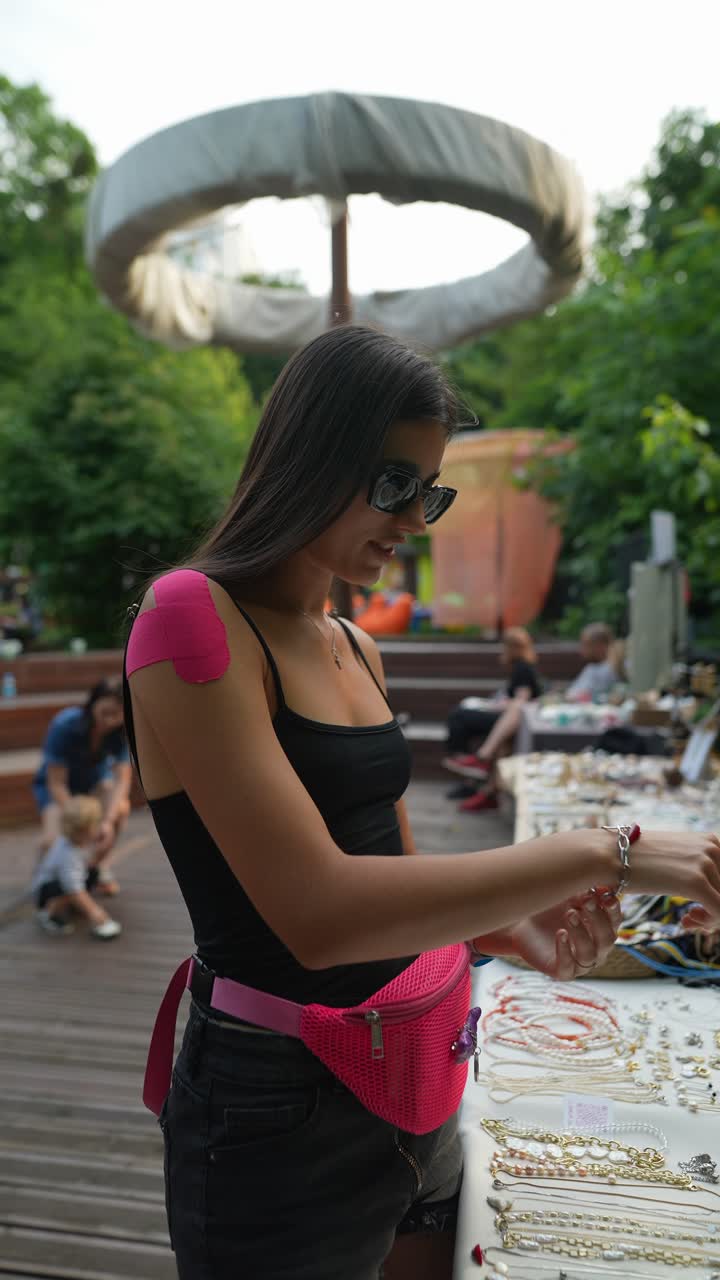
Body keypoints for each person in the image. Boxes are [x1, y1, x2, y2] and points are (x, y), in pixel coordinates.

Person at [124, 325, 720, 1280]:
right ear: (310, 456)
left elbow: (395, 885)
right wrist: (607, 849)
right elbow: (317, 915)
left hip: (419, 1062)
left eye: (429, 494)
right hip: (278, 1108)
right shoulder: (191, 617)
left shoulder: (356, 647)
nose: (413, 520)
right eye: (394, 485)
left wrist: (506, 929)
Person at [32, 677, 132, 893]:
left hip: (93, 785)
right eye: (105, 712)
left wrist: (106, 821)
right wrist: (81, 816)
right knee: (53, 841)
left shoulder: (121, 732)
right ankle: (46, 882)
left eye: (116, 714)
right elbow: (56, 783)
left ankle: (96, 868)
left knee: (120, 808)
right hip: (57, 790)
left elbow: (122, 779)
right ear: (92, 703)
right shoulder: (65, 725)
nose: (109, 720)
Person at [442, 627, 541, 811]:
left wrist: (497, 705)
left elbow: (521, 700)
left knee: (459, 716)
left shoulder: (522, 668)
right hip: (511, 718)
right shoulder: (524, 666)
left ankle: (477, 766)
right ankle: (484, 787)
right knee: (497, 740)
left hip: (513, 717)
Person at [32, 795, 122, 939]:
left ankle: (72, 905)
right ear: (85, 830)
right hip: (47, 892)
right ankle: (49, 914)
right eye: (97, 823)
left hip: (68, 878)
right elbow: (74, 889)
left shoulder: (76, 840)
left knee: (93, 871)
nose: (100, 825)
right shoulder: (68, 856)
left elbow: (87, 865)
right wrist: (97, 914)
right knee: (72, 890)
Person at [566, 621, 618, 700]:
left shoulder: (607, 669)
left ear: (601, 645)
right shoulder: (592, 667)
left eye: (587, 645)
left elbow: (578, 696)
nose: (582, 650)